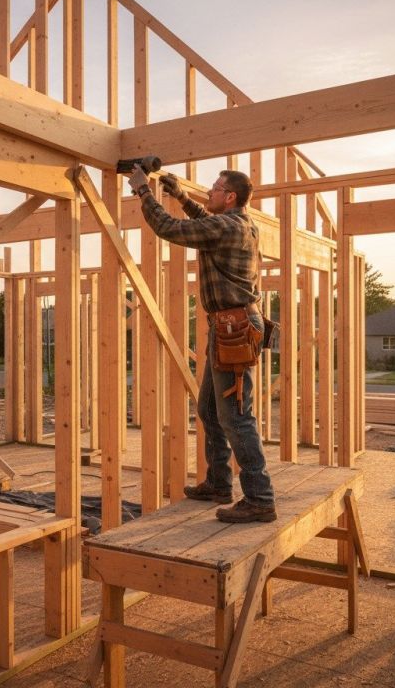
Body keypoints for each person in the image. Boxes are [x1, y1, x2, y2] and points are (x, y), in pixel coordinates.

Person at [128, 165, 276, 523]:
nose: (209, 192)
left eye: (215, 188)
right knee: (210, 409)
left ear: (230, 196)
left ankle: (260, 499)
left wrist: (143, 190)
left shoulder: (227, 226)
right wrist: (181, 196)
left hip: (234, 329)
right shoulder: (236, 224)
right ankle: (219, 483)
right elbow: (205, 220)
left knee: (236, 417)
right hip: (230, 326)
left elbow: (169, 228)